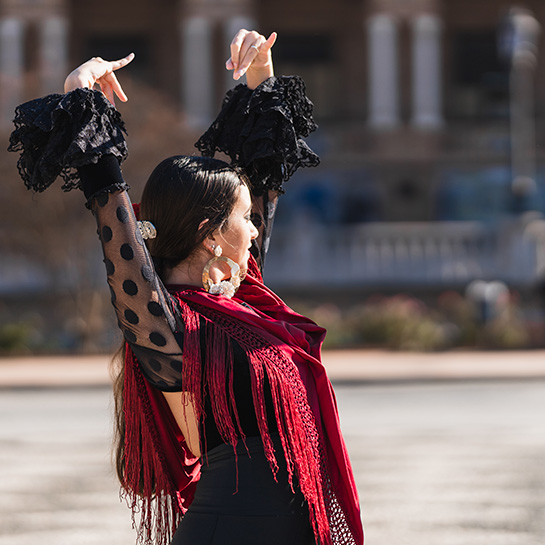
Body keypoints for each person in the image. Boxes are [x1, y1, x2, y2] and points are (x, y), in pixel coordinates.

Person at [9, 29, 364, 545]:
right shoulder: (168, 324)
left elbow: (264, 174)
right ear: (211, 235)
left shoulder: (242, 302)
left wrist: (261, 72)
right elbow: (118, 230)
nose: (258, 228)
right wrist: (79, 95)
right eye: (246, 219)